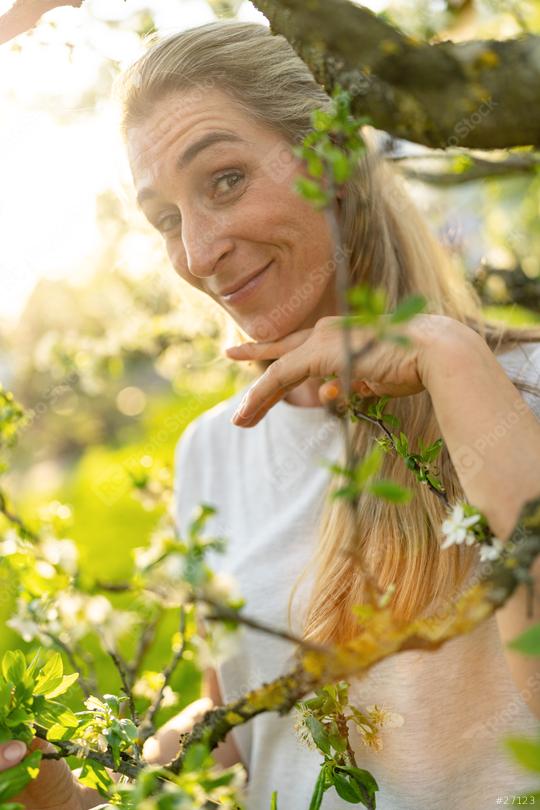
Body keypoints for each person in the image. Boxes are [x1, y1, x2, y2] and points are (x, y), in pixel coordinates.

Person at [3, 19, 540, 810]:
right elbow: (246, 733)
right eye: (166, 219)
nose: (197, 252)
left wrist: (448, 358)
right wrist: (82, 798)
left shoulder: (520, 386)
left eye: (223, 180)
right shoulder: (211, 453)